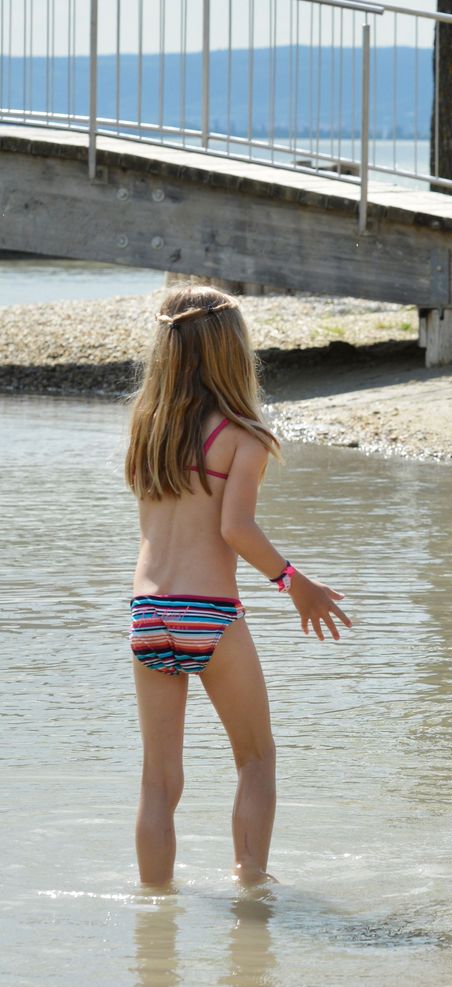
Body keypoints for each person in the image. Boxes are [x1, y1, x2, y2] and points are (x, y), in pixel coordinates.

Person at [126, 286, 351, 887]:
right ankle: (251, 888)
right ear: (233, 353)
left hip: (148, 612)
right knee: (256, 758)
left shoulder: (146, 428)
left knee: (158, 780)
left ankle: (156, 914)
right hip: (208, 612)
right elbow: (235, 527)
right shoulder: (240, 435)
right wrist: (294, 583)